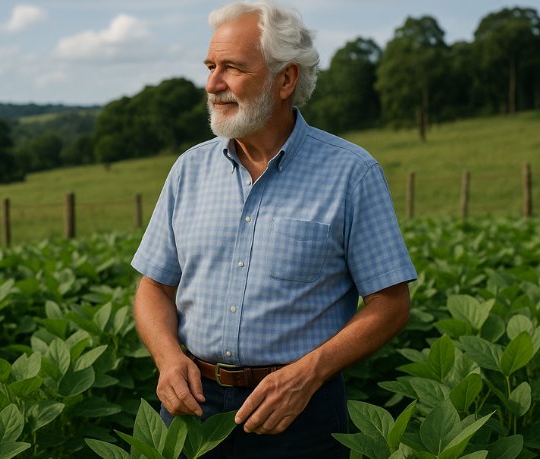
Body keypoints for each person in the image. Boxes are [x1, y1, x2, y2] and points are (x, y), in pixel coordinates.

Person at [130, 1, 418, 457]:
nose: (212, 84)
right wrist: (167, 358)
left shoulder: (351, 173)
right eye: (210, 66)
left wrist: (308, 374)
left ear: (286, 79)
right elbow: (153, 288)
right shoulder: (189, 169)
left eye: (232, 68)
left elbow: (391, 303)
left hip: (301, 411)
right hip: (190, 407)